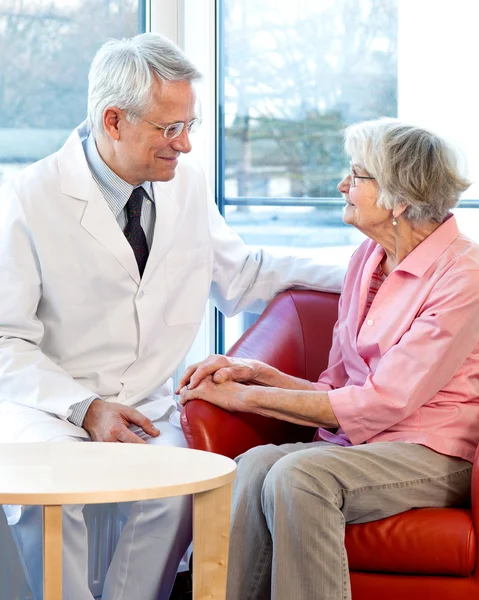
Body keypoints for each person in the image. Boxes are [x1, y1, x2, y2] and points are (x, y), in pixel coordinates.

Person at [0, 33, 344, 600]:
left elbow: (244, 274)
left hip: (149, 405)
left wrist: (372, 263)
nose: (184, 146)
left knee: (178, 490)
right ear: (114, 121)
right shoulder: (29, 196)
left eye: (189, 126)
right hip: (52, 406)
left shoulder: (184, 186)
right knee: (59, 501)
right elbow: (7, 338)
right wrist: (85, 409)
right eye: (169, 129)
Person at [179, 118, 479, 600]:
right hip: (365, 446)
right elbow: (341, 389)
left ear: (398, 198)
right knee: (254, 466)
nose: (342, 185)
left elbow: (384, 402)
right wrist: (258, 375)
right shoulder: (368, 259)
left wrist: (250, 399)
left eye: (357, 175)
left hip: (437, 451)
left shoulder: (463, 276)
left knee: (301, 476)